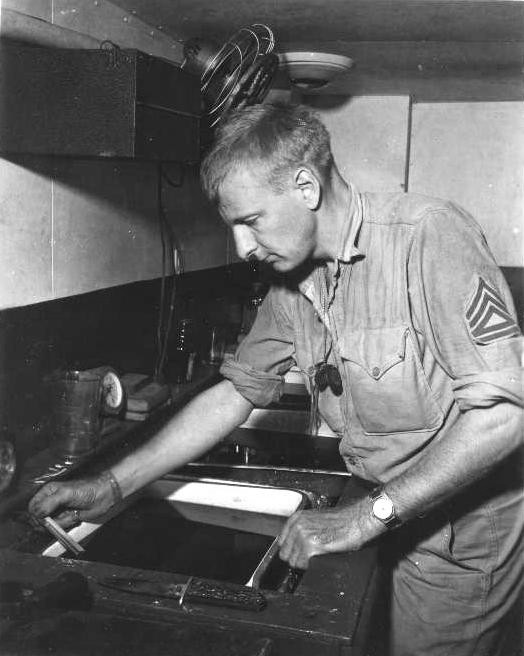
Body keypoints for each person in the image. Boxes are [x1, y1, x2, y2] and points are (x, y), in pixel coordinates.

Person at [29, 103, 523, 655]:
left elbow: (504, 416)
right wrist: (114, 484)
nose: (243, 249)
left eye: (251, 221)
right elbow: (237, 392)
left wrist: (366, 517)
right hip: (385, 507)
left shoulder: (429, 236)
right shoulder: (294, 281)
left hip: (457, 536)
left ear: (306, 187)